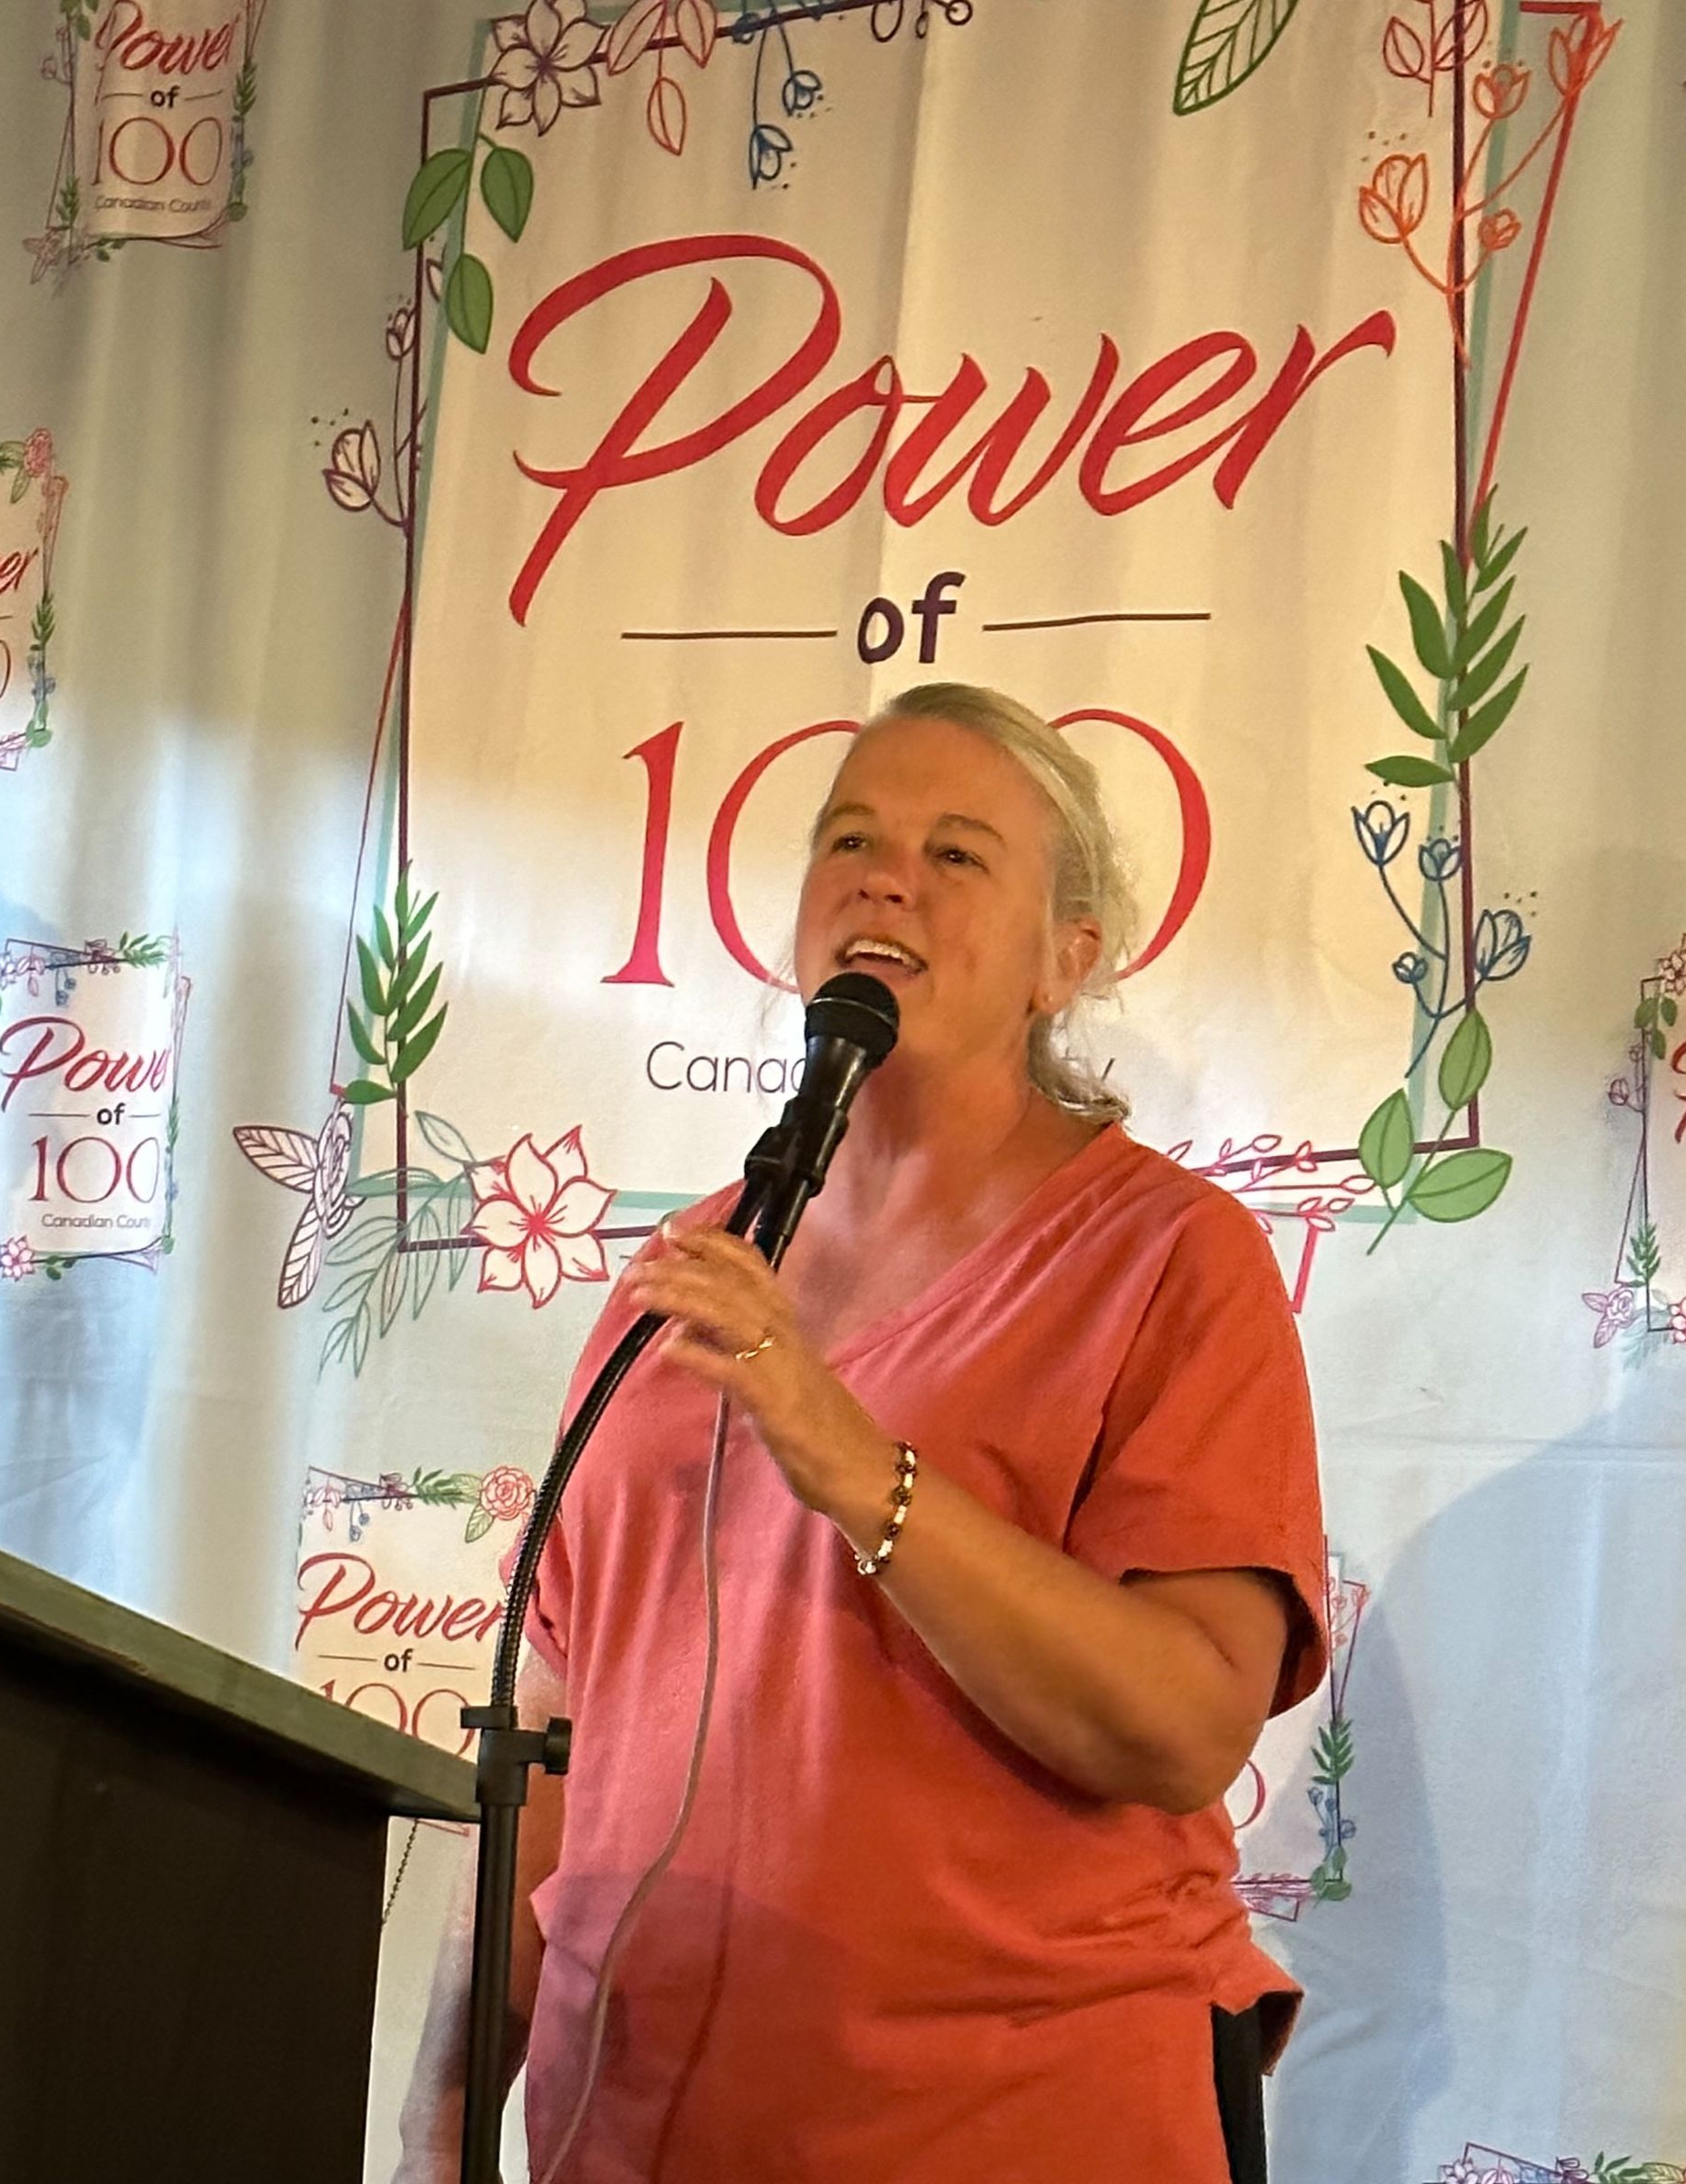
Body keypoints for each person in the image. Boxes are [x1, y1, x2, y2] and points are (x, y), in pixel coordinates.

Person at [395, 683, 1327, 2184]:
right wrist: (446, 2100)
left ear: (1064, 958)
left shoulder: (1167, 1256)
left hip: (1018, 2127)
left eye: (960, 854)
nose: (887, 877)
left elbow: (1185, 1719)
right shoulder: (691, 1271)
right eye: (851, 839)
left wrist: (856, 1465)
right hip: (631, 2137)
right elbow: (558, 1745)